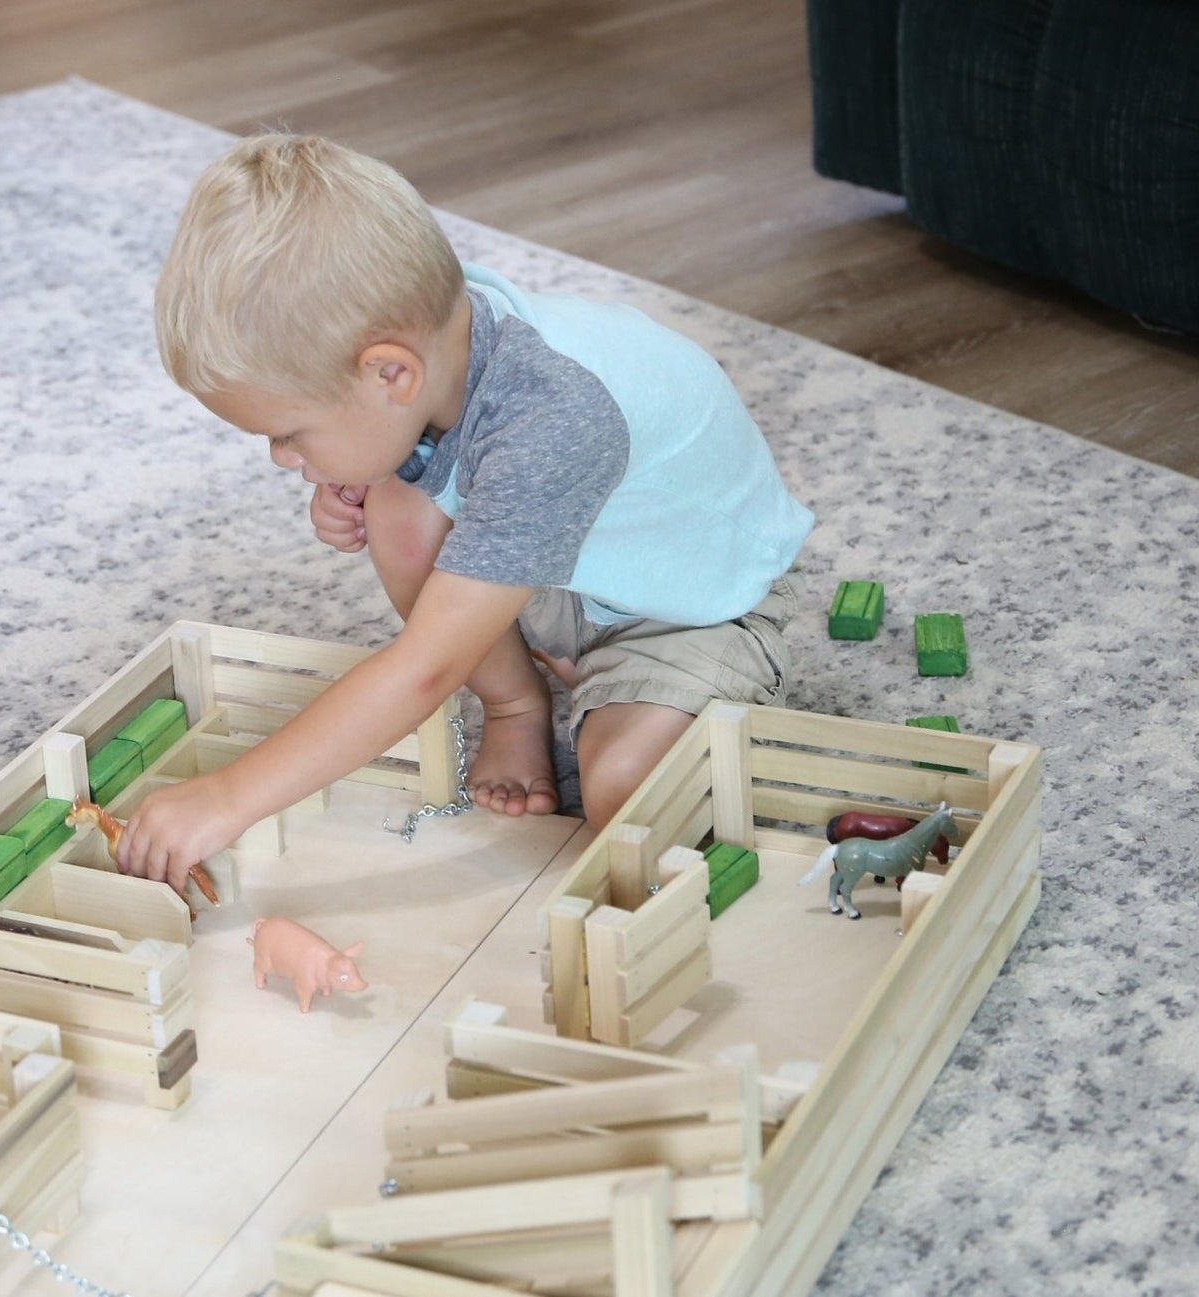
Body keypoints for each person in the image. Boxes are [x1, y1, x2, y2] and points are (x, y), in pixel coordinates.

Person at [115, 133, 813, 889]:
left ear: (391, 372)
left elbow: (424, 672)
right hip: (585, 571)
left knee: (624, 789)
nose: (282, 457)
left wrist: (229, 796)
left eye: (290, 433)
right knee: (395, 503)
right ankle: (516, 705)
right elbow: (424, 457)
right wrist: (351, 471)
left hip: (694, 609)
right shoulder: (443, 343)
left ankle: (612, 692)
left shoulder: (551, 419)